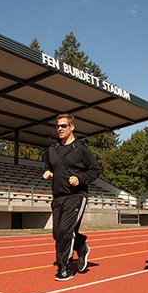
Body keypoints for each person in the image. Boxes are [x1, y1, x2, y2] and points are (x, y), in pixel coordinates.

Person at [41, 113, 102, 281]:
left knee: (65, 232)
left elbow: (95, 170)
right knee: (57, 234)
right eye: (58, 126)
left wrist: (81, 179)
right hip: (58, 197)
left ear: (72, 127)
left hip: (76, 196)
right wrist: (47, 172)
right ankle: (81, 248)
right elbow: (47, 167)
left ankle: (65, 268)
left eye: (63, 126)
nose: (60, 129)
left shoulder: (81, 149)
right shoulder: (51, 150)